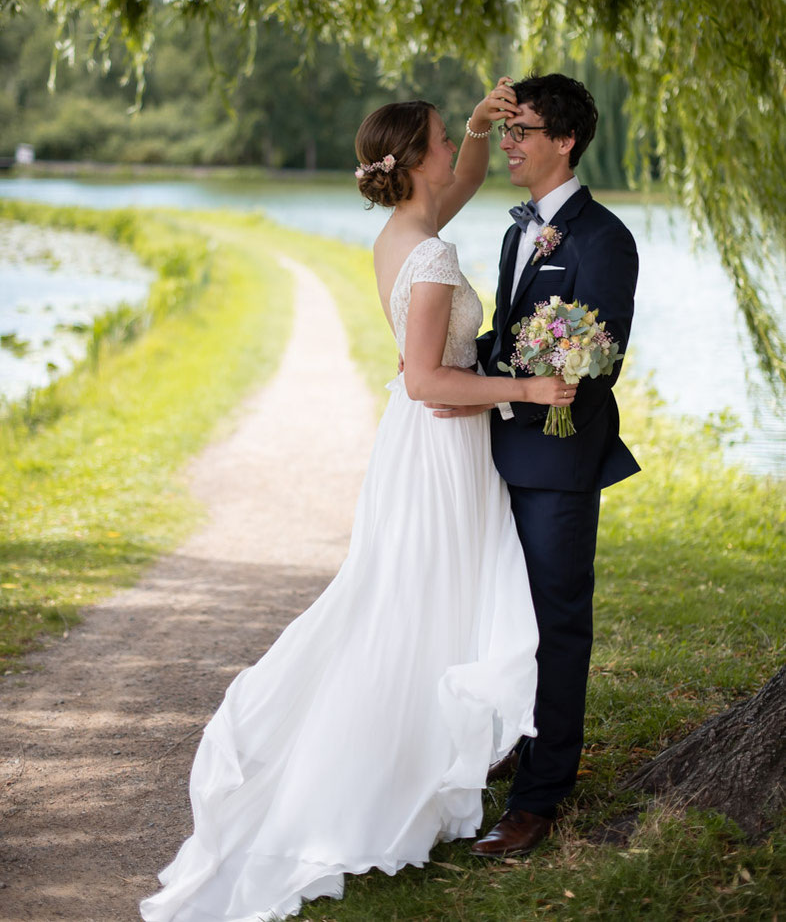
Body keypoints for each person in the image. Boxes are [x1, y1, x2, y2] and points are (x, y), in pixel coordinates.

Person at [139, 83, 576, 922]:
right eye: (446, 138)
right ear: (414, 161)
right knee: (410, 608)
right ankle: (381, 776)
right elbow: (426, 380)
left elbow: (467, 184)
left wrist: (480, 125)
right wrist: (527, 385)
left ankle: (421, 760)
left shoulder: (403, 235)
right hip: (439, 447)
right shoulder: (434, 254)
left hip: (428, 447)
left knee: (419, 603)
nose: (457, 149)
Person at [428, 73, 639, 858]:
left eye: (522, 131)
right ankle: (515, 735)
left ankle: (539, 797)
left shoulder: (604, 237)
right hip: (497, 452)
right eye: (505, 131)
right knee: (503, 615)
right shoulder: (520, 232)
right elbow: (513, 332)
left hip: (557, 458)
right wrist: (458, 373)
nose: (509, 144)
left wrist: (521, 388)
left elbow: (599, 359)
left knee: (558, 626)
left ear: (566, 140)